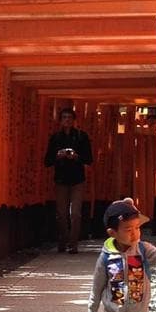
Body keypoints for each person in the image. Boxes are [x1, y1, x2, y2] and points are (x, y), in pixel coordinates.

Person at [43, 104, 93, 253]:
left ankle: (73, 243)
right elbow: (47, 161)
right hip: (61, 179)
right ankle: (63, 240)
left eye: (69, 118)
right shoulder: (55, 138)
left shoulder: (81, 137)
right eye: (64, 118)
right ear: (60, 120)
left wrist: (77, 156)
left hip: (77, 179)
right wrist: (58, 155)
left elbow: (89, 159)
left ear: (74, 120)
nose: (67, 120)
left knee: (75, 213)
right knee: (61, 214)